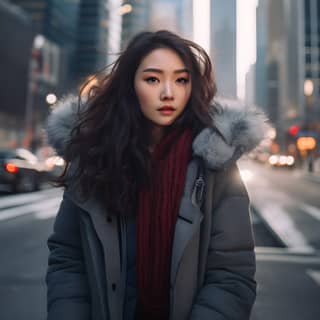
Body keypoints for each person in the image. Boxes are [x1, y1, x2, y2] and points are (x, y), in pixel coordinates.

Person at [46, 30, 268, 320]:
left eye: (181, 80)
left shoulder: (214, 163)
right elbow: (68, 259)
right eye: (152, 79)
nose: (168, 92)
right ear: (130, 85)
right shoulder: (94, 159)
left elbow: (232, 275)